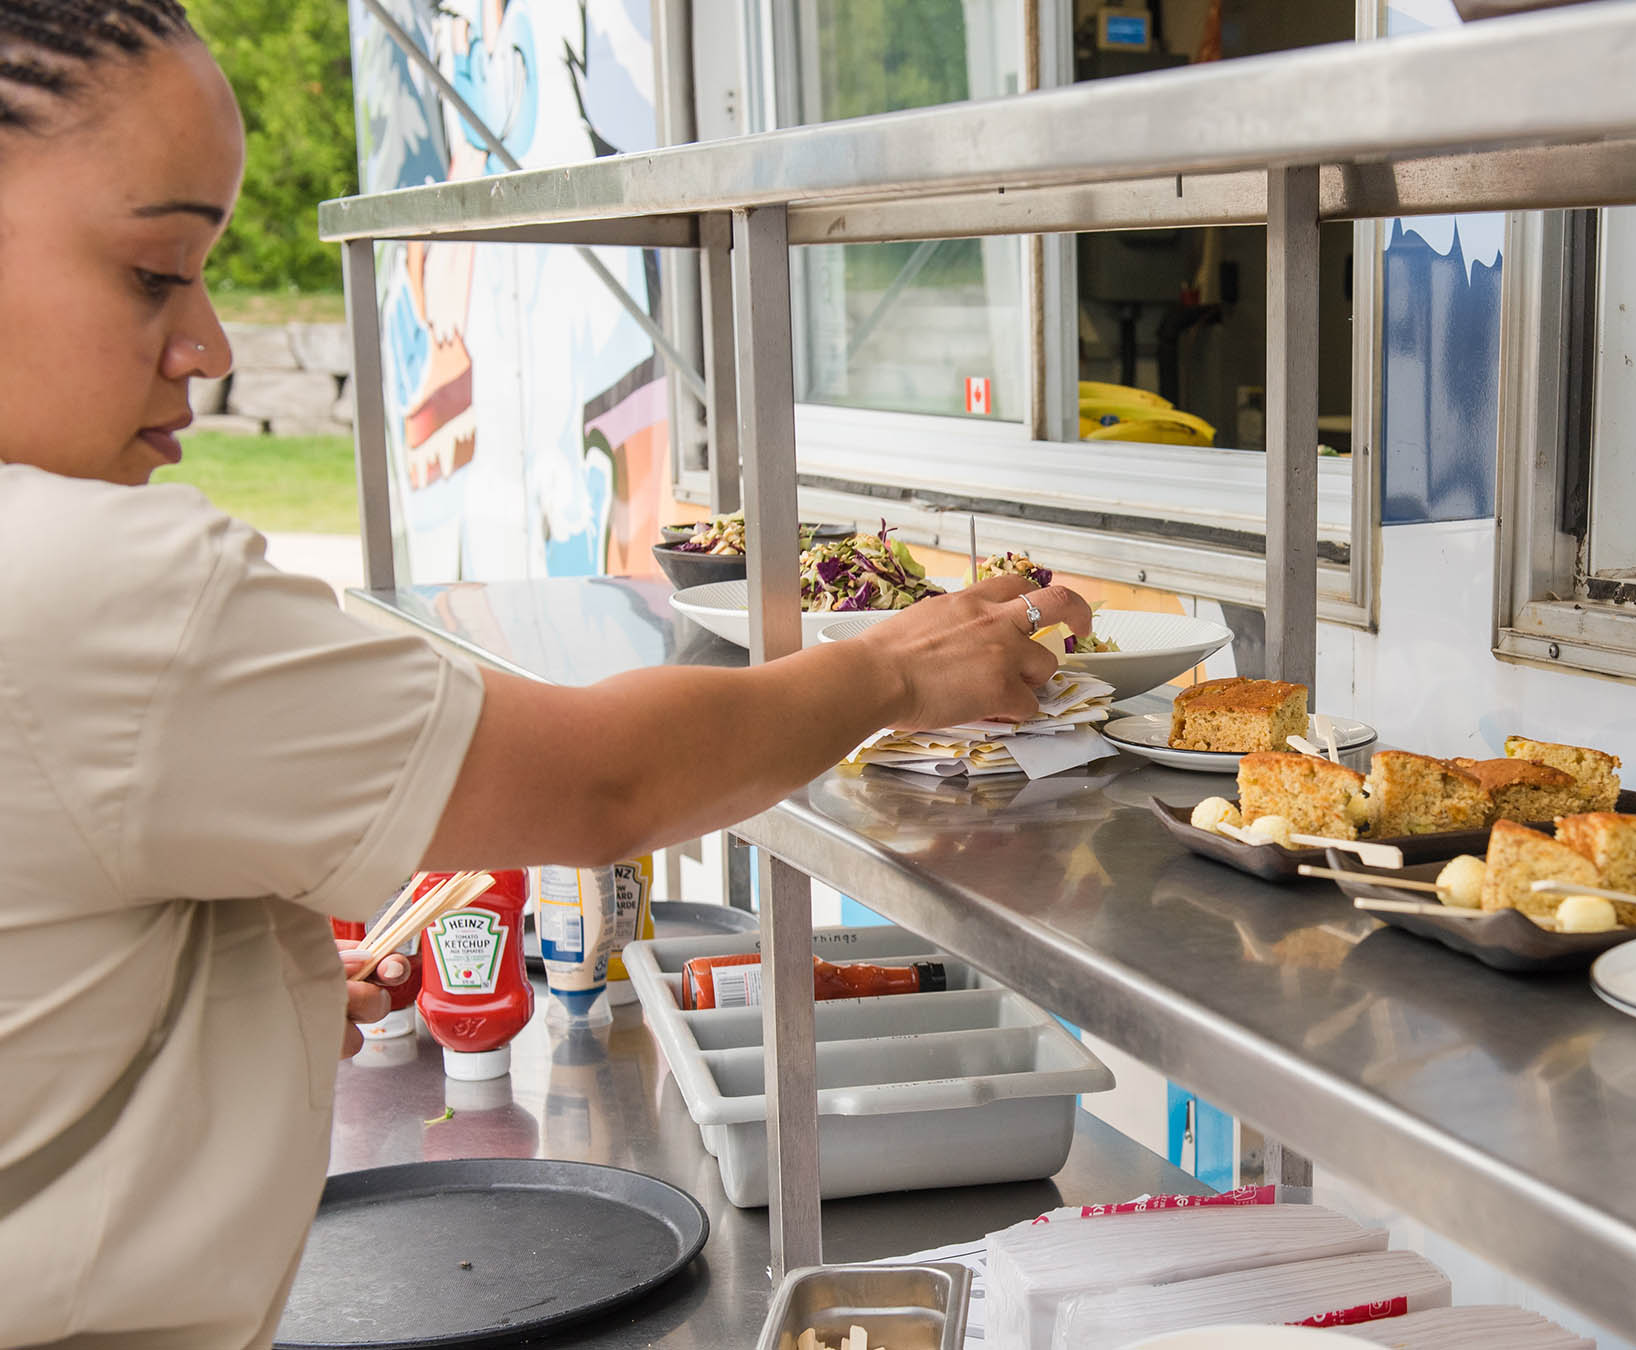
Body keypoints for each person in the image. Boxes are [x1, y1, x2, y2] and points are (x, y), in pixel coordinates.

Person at [0, 5, 1091, 1346]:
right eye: (160, 271)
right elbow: (605, 780)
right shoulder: (84, 581)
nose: (211, 344)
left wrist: (240, 1007)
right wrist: (895, 671)